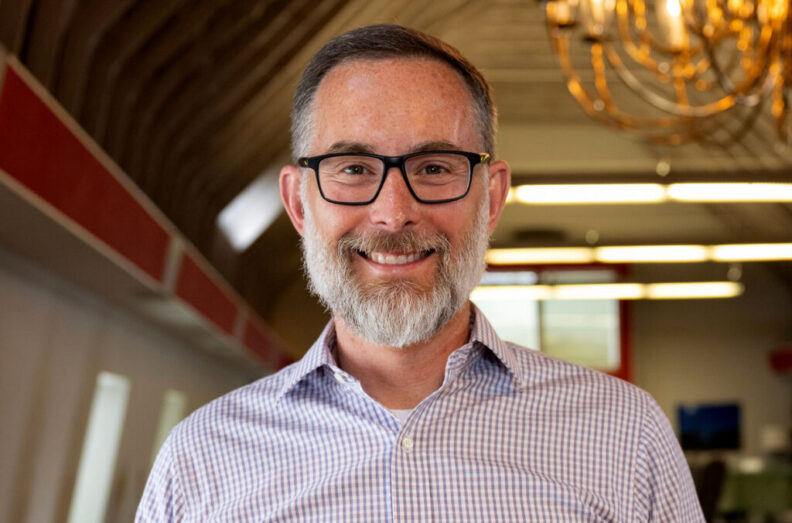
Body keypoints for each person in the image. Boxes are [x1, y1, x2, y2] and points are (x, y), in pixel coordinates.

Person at [137, 24, 704, 521]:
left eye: (434, 167)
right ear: (300, 203)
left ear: (492, 197)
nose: (394, 212)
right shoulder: (201, 460)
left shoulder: (623, 437)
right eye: (354, 168)